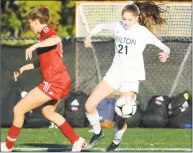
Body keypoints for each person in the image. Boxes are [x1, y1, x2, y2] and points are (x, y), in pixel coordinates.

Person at [84, 1, 170, 152]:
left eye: (130, 19)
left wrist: (165, 53)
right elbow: (101, 26)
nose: (126, 22)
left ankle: (116, 141)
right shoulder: (118, 26)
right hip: (114, 74)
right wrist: (89, 35)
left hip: (131, 77)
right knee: (89, 105)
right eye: (124, 18)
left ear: (137, 18)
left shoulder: (142, 32)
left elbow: (164, 47)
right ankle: (98, 134)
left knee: (121, 114)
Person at [1, 6, 86, 152]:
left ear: (35, 21)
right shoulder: (43, 38)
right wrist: (23, 68)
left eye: (30, 23)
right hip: (61, 80)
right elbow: (40, 62)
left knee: (19, 109)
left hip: (54, 82)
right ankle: (77, 140)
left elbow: (56, 39)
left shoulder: (46, 32)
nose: (30, 26)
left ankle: (7, 146)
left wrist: (34, 46)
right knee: (48, 112)